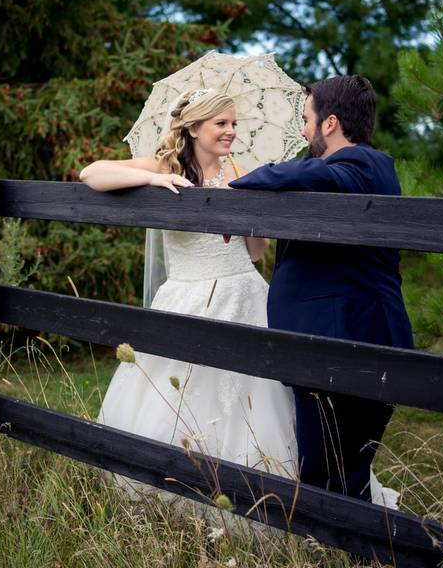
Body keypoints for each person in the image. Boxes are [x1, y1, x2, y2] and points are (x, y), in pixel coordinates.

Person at [80, 88, 299, 482]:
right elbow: (90, 173)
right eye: (221, 123)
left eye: (234, 123)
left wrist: (245, 215)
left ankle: (258, 483)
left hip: (244, 293)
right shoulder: (164, 166)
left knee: (255, 395)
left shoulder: (240, 171)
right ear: (195, 128)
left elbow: (255, 253)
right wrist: (151, 179)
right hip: (187, 294)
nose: (231, 131)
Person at [230, 76, 412, 503]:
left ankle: (345, 550)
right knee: (338, 471)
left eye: (307, 119)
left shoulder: (363, 165)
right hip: (336, 336)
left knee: (330, 475)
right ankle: (357, 550)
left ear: (330, 123)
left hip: (346, 337)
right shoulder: (337, 173)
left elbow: (303, 171)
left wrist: (235, 185)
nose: (303, 130)